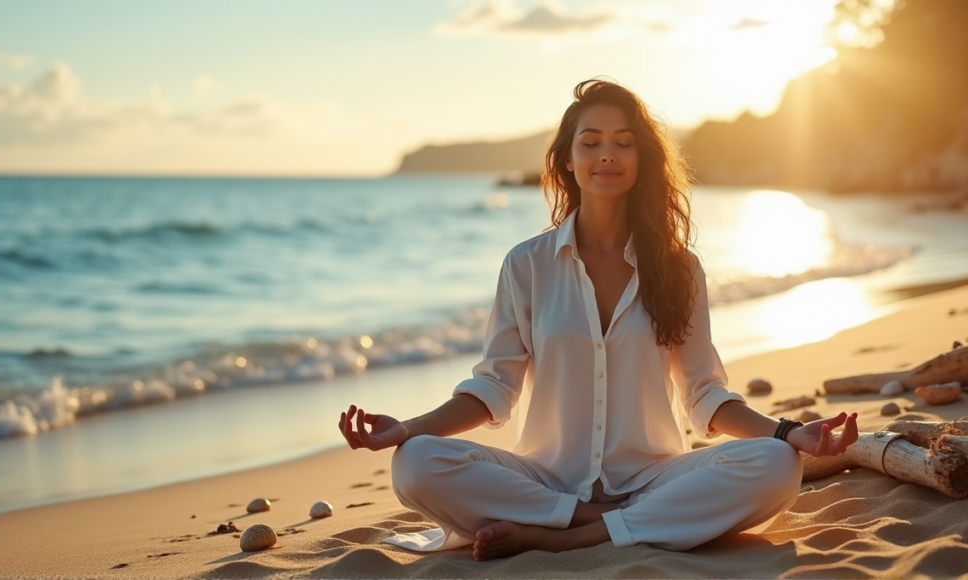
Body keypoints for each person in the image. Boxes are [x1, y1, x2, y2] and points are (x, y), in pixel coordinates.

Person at [338, 79, 859, 561]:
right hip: (543, 480)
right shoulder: (527, 264)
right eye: (590, 141)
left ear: (641, 159)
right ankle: (601, 521)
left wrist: (788, 432)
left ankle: (570, 535)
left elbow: (705, 395)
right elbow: (494, 387)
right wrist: (406, 429)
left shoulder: (680, 269)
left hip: (654, 478)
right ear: (567, 159)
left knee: (777, 465)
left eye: (623, 141)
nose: (606, 153)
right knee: (414, 463)